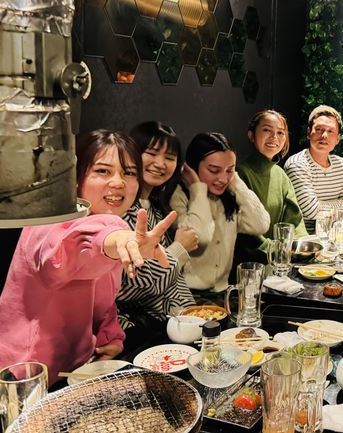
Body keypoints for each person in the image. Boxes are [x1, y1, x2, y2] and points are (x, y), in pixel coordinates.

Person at [0, 130, 176, 385]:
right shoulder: (48, 221)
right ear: (76, 177)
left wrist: (109, 338)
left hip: (75, 371)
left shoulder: (107, 225)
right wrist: (117, 238)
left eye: (129, 173)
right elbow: (67, 250)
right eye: (103, 171)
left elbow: (103, 300)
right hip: (22, 378)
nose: (118, 182)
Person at [115, 122, 198, 334]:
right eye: (151, 153)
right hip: (144, 332)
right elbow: (132, 286)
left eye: (169, 157)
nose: (160, 164)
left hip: (180, 324)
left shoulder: (156, 206)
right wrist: (179, 249)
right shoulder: (119, 210)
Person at [170, 132, 270, 297]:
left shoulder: (229, 196)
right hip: (187, 295)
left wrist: (235, 181)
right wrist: (197, 188)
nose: (223, 178)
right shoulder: (178, 196)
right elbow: (200, 237)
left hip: (223, 293)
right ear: (192, 167)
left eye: (230, 170)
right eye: (214, 170)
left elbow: (260, 224)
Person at [234, 110, 307, 268]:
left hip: (279, 262)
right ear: (251, 135)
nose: (274, 137)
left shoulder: (281, 175)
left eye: (280, 132)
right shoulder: (239, 173)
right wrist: (275, 251)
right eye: (267, 130)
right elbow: (244, 231)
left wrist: (303, 248)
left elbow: (294, 221)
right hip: (248, 267)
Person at [284, 105, 343, 233]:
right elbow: (311, 210)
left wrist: (329, 205)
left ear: (337, 138)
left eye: (330, 131)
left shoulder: (340, 164)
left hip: (335, 234)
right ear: (308, 133)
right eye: (319, 129)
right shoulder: (297, 164)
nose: (324, 135)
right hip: (305, 237)